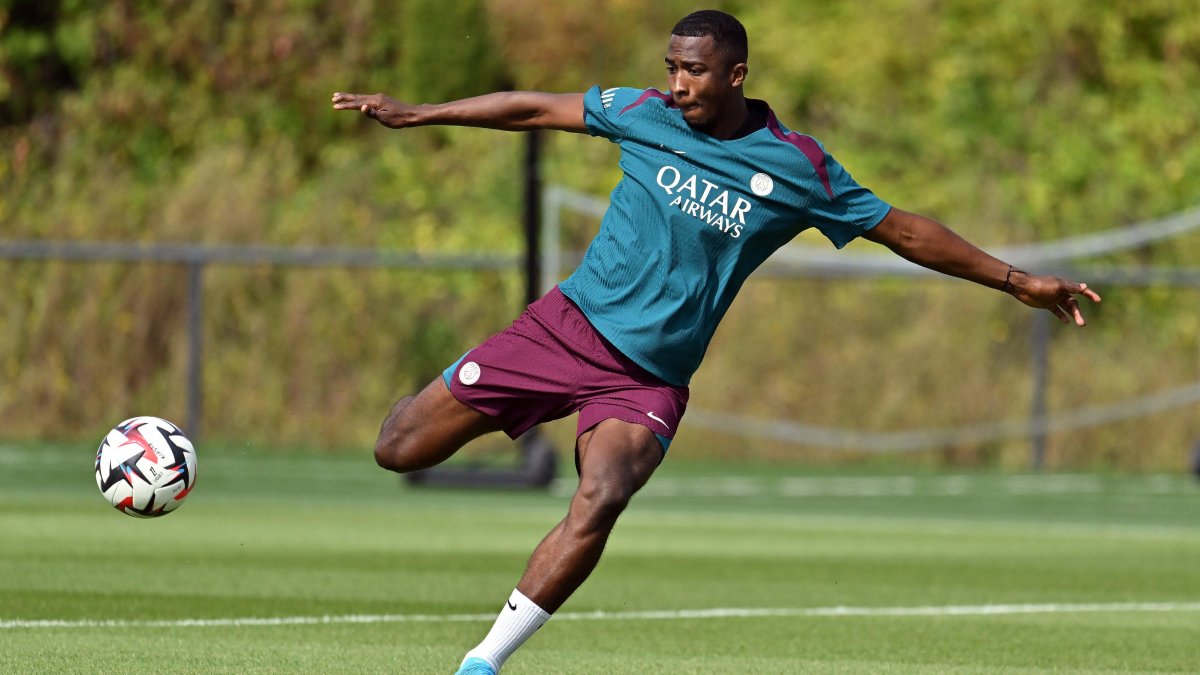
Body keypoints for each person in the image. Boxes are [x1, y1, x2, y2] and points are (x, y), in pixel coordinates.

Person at [333, 9, 1101, 674]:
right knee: (399, 447)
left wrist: (1014, 279)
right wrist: (419, 112)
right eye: (670, 67)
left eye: (693, 71)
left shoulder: (798, 165)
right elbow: (535, 106)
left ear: (736, 75)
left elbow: (901, 230)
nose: (677, 84)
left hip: (646, 379)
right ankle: (444, 394)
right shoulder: (642, 112)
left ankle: (483, 658)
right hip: (562, 329)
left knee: (602, 494)